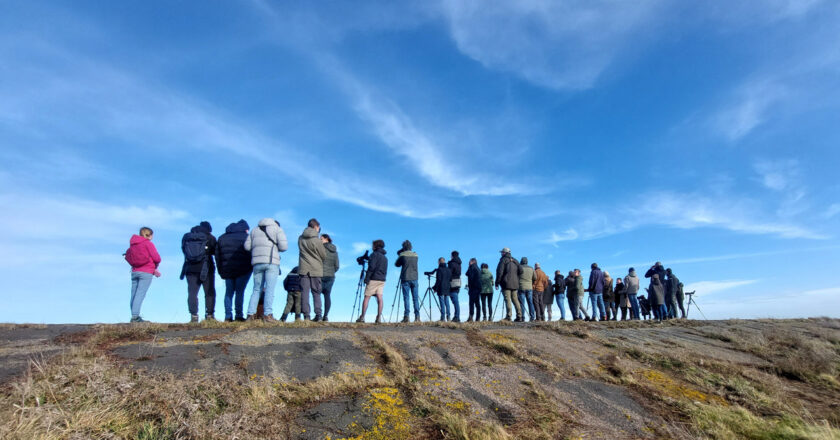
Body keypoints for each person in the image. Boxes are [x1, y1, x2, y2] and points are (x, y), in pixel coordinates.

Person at [244, 218, 288, 322]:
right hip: (271, 261)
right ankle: (267, 315)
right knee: (269, 289)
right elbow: (284, 247)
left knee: (256, 289)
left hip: (257, 263)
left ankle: (250, 315)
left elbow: (247, 246)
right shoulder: (277, 229)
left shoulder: (254, 230)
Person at [215, 219, 252, 322]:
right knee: (240, 292)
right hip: (243, 269)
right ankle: (239, 315)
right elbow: (250, 254)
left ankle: (228, 316)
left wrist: (221, 271)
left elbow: (217, 256)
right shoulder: (246, 237)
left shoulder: (222, 238)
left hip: (227, 269)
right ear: (245, 229)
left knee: (228, 292)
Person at [180, 221, 217, 323]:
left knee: (192, 293)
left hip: (190, 269)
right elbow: (215, 251)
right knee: (209, 292)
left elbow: (184, 250)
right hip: (207, 268)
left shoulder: (187, 237)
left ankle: (194, 316)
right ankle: (209, 315)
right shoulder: (210, 237)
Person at [125, 227, 161, 323]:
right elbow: (157, 258)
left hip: (135, 271)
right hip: (146, 271)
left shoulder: (133, 244)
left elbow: (128, 255)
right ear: (149, 235)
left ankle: (134, 314)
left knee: (134, 294)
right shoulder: (148, 244)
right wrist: (154, 266)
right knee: (140, 294)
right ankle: (135, 316)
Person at [298, 219, 327, 321]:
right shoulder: (317, 240)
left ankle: (306, 315)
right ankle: (318, 315)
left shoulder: (300, 238)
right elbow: (323, 255)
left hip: (303, 268)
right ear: (316, 227)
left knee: (304, 293)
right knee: (316, 292)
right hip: (315, 269)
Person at [357, 239, 387, 323]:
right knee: (380, 298)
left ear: (375, 246)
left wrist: (367, 278)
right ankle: (378, 318)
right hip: (382, 279)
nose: (372, 247)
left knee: (367, 297)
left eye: (373, 245)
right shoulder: (385, 258)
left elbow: (371, 267)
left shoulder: (374, 255)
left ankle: (362, 317)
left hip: (373, 278)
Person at [395, 240, 420, 323]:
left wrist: (400, 252)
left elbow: (397, 264)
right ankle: (417, 317)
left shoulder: (402, 255)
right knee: (415, 299)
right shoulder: (416, 255)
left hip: (405, 278)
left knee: (406, 298)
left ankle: (406, 317)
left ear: (403, 247)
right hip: (415, 278)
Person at [495, 248, 522, 322]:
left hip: (506, 283)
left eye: (502, 252)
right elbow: (521, 271)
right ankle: (519, 316)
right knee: (515, 300)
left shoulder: (503, 260)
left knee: (508, 300)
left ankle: (508, 316)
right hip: (515, 284)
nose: (501, 253)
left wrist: (497, 282)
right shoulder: (515, 260)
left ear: (504, 253)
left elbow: (499, 272)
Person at [320, 234, 339, 322]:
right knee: (327, 296)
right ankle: (325, 316)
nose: (320, 240)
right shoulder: (335, 251)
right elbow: (337, 266)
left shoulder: (321, 249)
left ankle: (318, 315)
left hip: (320, 275)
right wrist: (331, 272)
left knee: (317, 295)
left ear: (326, 239)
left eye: (321, 238)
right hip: (331, 276)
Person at [430, 257, 452, 321]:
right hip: (447, 288)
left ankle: (443, 317)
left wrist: (435, 288)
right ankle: (448, 317)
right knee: (447, 302)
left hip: (441, 288)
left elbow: (438, 280)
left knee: (442, 302)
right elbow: (450, 279)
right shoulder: (449, 270)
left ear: (439, 262)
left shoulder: (439, 270)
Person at [517, 257, 536, 322]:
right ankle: (532, 317)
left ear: (521, 261)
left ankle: (522, 317)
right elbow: (535, 277)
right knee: (530, 303)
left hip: (521, 287)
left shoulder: (519, 268)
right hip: (529, 287)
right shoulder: (531, 268)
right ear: (527, 262)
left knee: (522, 303)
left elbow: (516, 276)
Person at [447, 251, 462, 323]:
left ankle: (457, 317)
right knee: (456, 300)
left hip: (452, 283)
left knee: (455, 300)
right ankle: (457, 316)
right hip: (458, 282)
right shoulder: (459, 263)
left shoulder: (452, 263)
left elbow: (449, 273)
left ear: (452, 256)